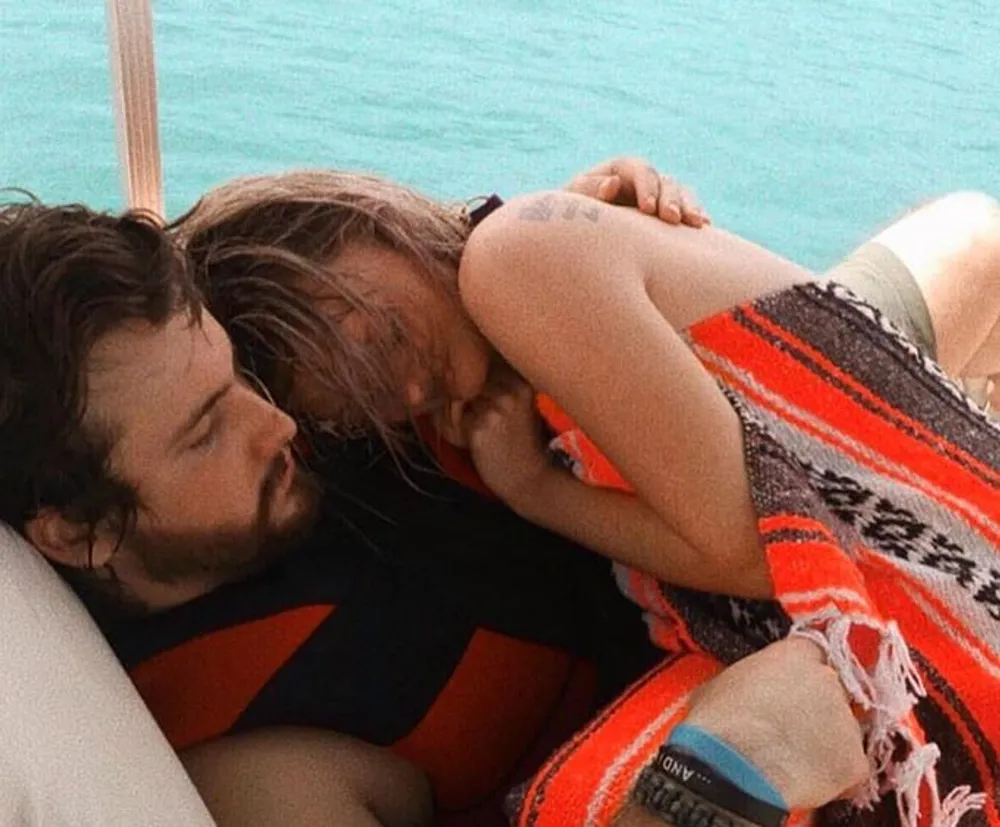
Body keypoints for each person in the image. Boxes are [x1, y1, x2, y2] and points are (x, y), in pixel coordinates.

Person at [0, 156, 852, 827]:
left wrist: (585, 225)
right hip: (749, 687)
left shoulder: (294, 422)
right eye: (205, 430)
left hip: (716, 508)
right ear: (78, 530)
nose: (280, 425)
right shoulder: (246, 766)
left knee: (973, 239)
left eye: (236, 378)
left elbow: (401, 299)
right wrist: (719, 779)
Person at [175, 171, 1000, 827]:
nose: (414, 385)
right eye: (370, 402)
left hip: (916, 567)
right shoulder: (513, 296)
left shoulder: (514, 260)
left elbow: (751, 554)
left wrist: (533, 488)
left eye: (385, 340)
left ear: (367, 219)